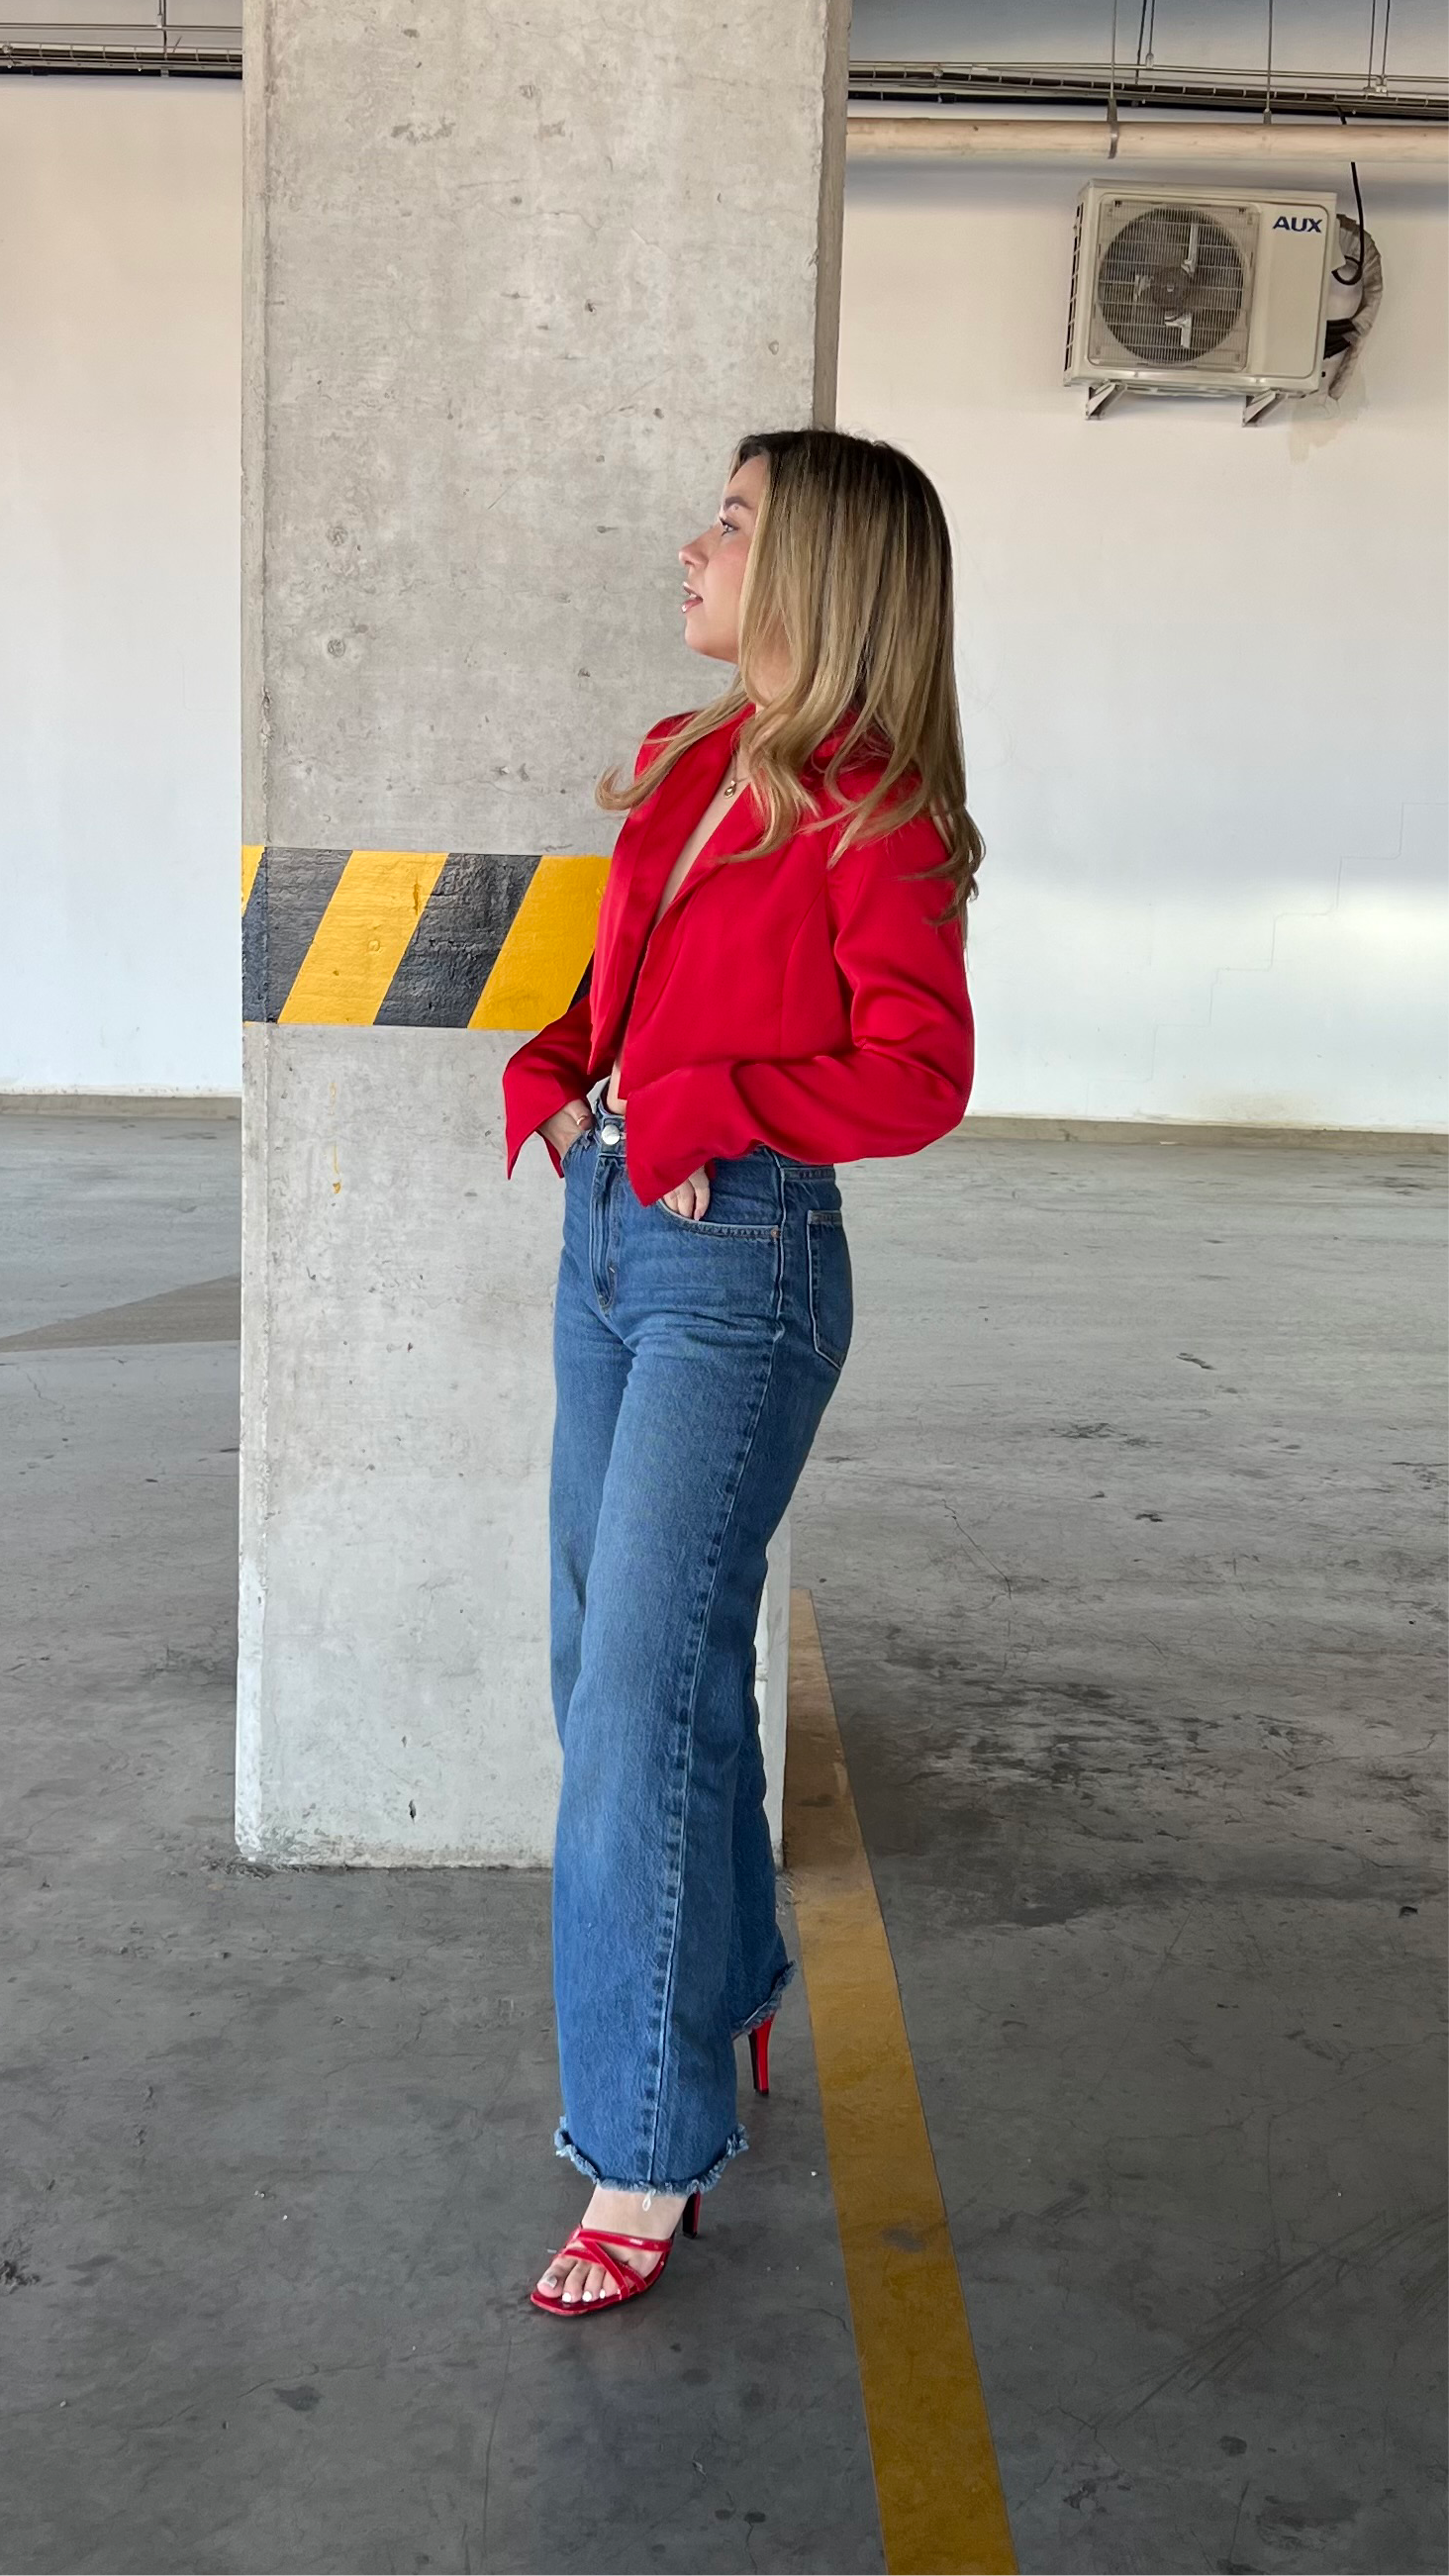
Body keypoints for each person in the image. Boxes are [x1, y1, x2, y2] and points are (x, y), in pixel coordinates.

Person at [501, 427, 983, 2317]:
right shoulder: (697, 766)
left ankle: (643, 2144)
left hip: (742, 1265)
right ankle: (726, 1992)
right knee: (609, 1651)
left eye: (734, 523)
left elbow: (917, 1075)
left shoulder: (874, 812)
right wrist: (568, 1062)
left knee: (631, 1696)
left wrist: (703, 1096)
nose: (695, 549)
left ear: (825, 581)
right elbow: (634, 998)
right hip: (614, 1235)